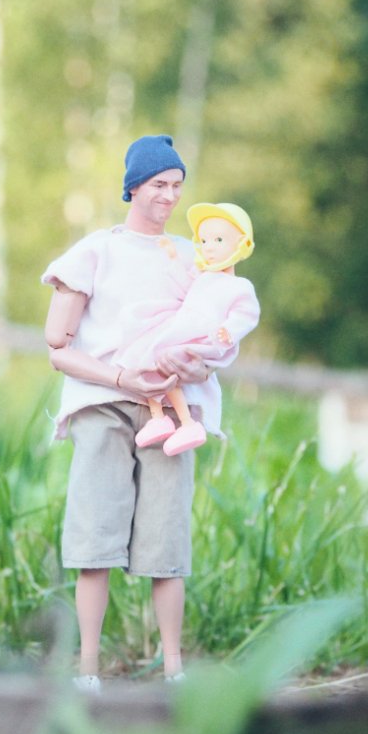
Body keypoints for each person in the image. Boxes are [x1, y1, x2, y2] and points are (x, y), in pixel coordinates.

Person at [41, 134, 241, 690]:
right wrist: (123, 377)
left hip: (173, 411)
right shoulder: (95, 253)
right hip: (104, 402)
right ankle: (86, 666)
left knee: (166, 539)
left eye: (177, 186)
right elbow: (58, 345)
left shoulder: (193, 255)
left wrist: (197, 363)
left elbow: (214, 326)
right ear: (133, 187)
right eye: (159, 185)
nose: (169, 196)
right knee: (94, 536)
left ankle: (173, 664)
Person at [113, 202, 260, 456]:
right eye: (204, 241)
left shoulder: (239, 287)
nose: (210, 247)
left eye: (218, 239)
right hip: (181, 328)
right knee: (144, 353)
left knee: (167, 359)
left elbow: (247, 314)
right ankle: (158, 416)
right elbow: (184, 288)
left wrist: (229, 331)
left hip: (205, 337)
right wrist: (173, 258)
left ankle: (188, 424)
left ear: (241, 244)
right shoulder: (202, 276)